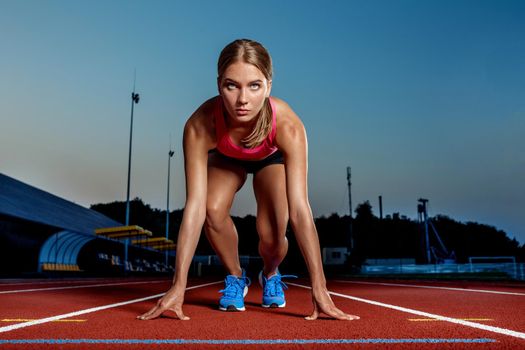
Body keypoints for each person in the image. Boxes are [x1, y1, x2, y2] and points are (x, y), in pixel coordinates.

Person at [138, 39, 359, 321]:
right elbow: (193, 206)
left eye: (254, 86)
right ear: (219, 84)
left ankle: (270, 274)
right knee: (211, 209)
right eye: (232, 85)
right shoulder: (200, 125)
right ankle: (235, 276)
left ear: (268, 85)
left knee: (273, 232)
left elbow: (301, 210)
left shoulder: (289, 125)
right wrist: (178, 285)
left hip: (271, 158)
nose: (243, 99)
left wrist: (320, 287)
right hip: (227, 156)